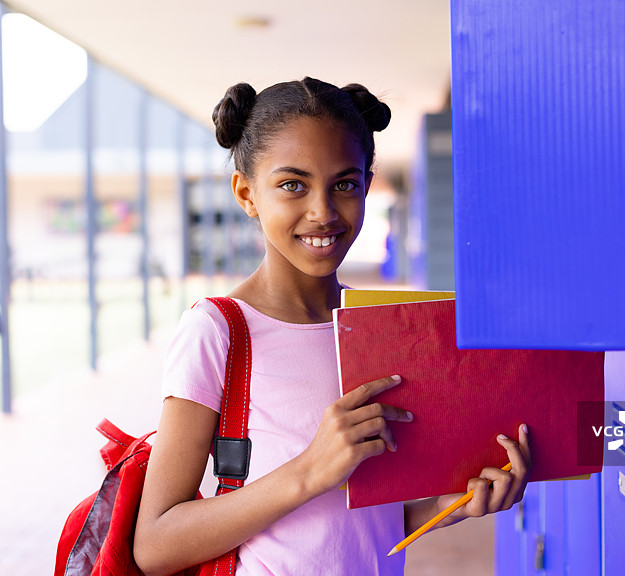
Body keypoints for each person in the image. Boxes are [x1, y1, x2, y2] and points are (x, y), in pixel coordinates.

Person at [133, 77, 532, 576]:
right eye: (292, 185)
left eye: (344, 184)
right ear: (246, 192)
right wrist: (310, 470)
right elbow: (155, 545)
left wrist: (448, 505)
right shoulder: (219, 331)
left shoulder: (384, 328)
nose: (322, 212)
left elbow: (363, 526)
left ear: (367, 184)